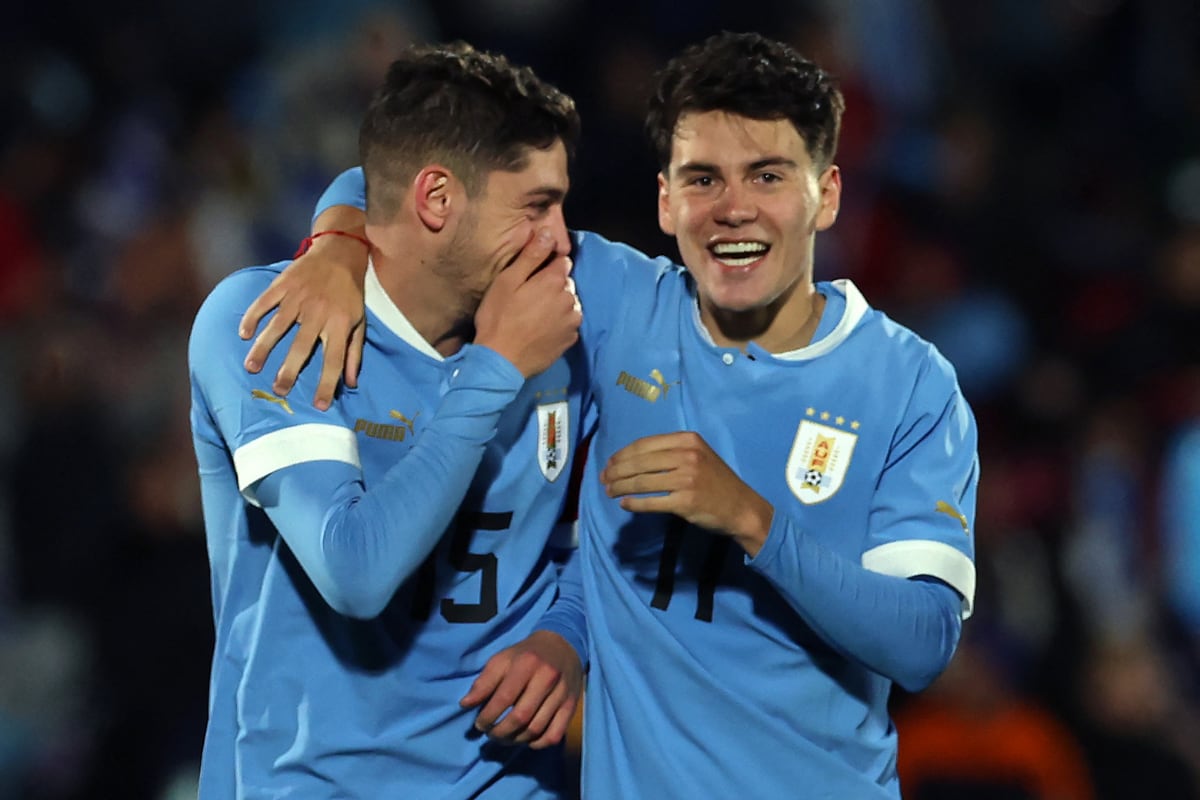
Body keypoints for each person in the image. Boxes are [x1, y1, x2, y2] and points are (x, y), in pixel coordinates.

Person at [246, 32, 979, 798]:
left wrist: (754, 521)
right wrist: (334, 244)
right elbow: (422, 185)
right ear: (665, 199)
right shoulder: (606, 301)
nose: (732, 209)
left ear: (824, 194)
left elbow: (923, 643)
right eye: (703, 179)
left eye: (766, 176)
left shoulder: (911, 385)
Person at [188, 42, 590, 799]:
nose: (563, 239)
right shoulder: (271, 326)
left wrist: (567, 636)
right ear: (436, 201)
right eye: (536, 207)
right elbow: (356, 571)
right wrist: (496, 367)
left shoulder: (564, 317)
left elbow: (607, 543)